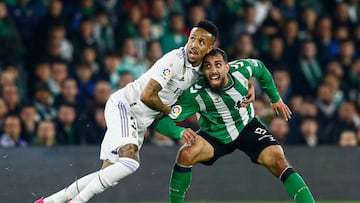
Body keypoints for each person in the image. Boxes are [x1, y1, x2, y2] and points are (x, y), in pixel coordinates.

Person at [35, 19, 219, 203]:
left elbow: (228, 67)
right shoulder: (175, 60)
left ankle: (50, 201)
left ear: (209, 49)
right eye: (192, 38)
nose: (194, 44)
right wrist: (167, 110)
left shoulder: (200, 70)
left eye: (201, 42)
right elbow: (147, 96)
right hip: (125, 107)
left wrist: (249, 84)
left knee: (109, 172)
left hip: (138, 121)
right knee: (130, 163)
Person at [155, 48, 315, 203]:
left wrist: (275, 98)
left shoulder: (241, 70)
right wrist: (179, 132)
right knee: (185, 154)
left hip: (247, 126)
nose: (213, 70)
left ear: (227, 67)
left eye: (218, 64)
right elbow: (162, 122)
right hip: (214, 134)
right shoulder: (196, 94)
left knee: (278, 161)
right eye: (208, 66)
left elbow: (260, 68)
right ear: (203, 72)